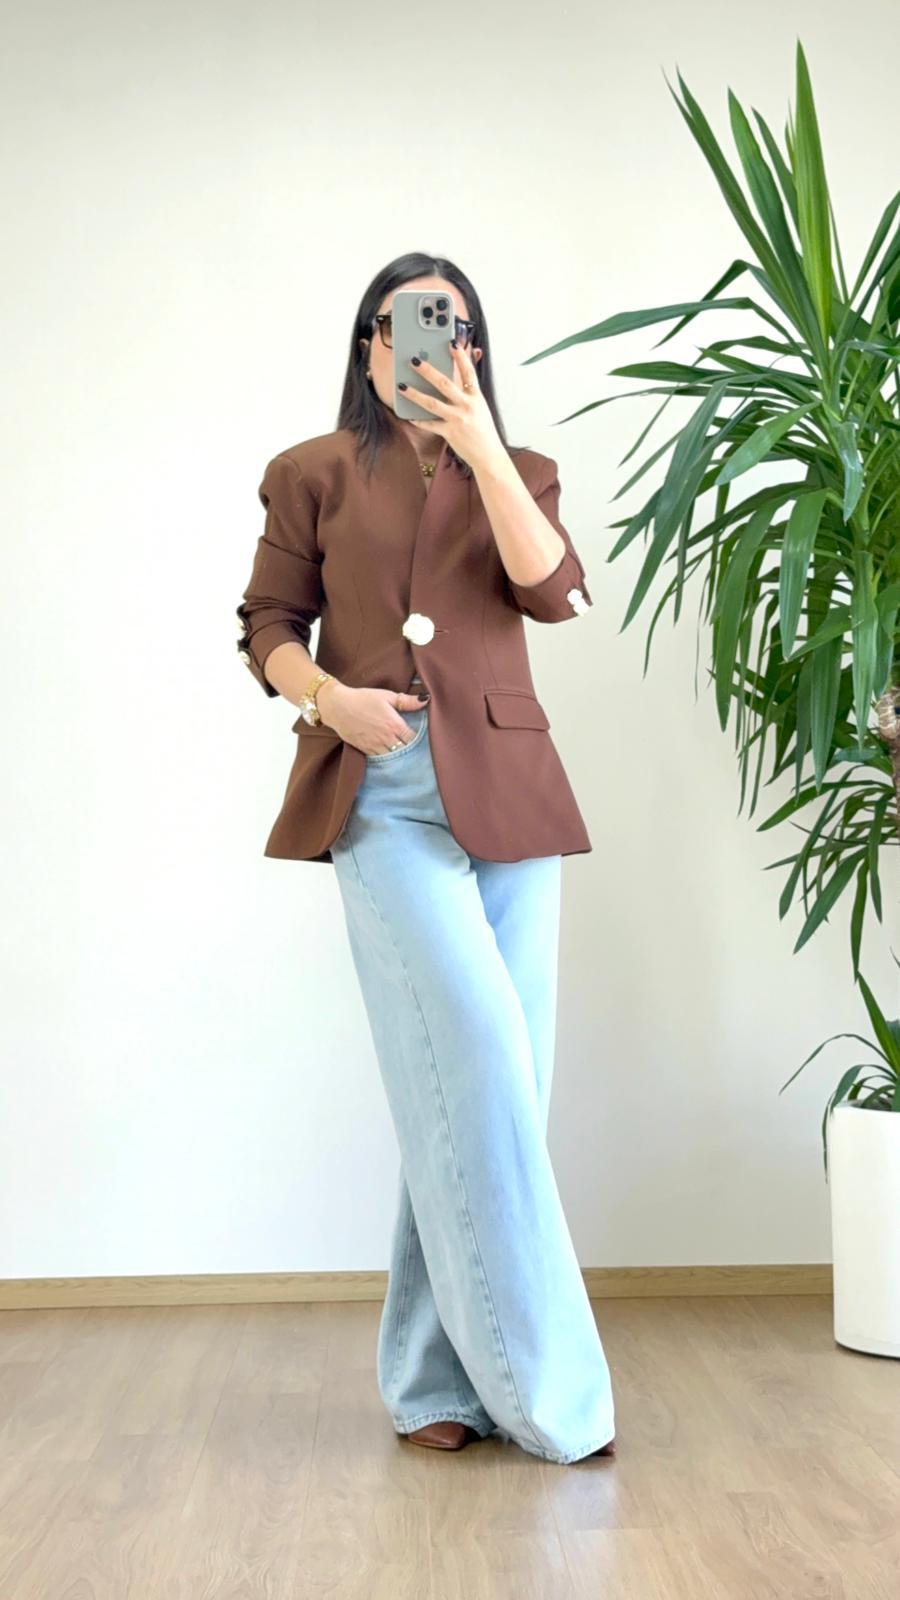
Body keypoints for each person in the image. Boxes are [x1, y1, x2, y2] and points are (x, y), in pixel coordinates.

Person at [236, 253, 616, 1464]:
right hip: (382, 797)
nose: (419, 342)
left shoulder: (524, 468)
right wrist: (327, 698)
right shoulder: (311, 471)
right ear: (368, 347)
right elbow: (266, 624)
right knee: (478, 1067)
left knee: (482, 1090)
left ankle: (431, 1379)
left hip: (512, 796)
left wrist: (484, 445)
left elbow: (555, 592)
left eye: (445, 325)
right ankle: (552, 1399)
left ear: (471, 347)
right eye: (396, 325)